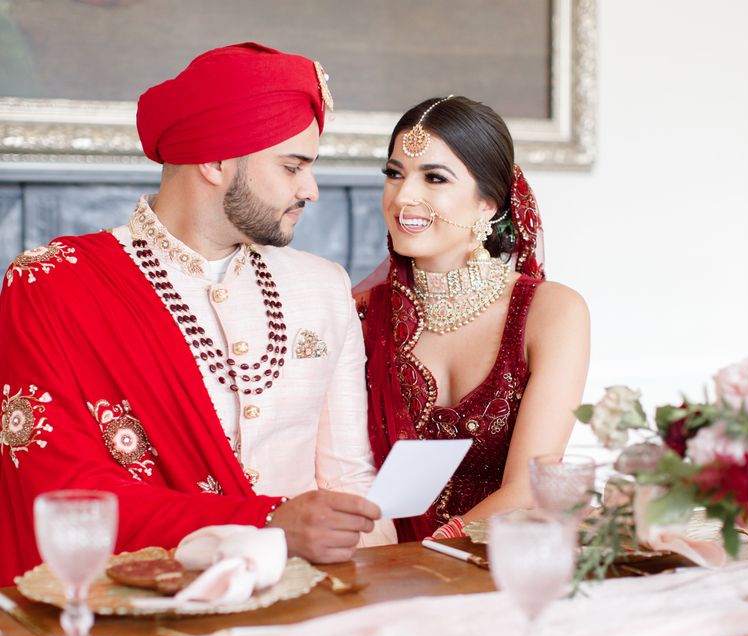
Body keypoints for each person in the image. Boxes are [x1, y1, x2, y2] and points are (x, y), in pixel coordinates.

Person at [0, 42, 395, 586]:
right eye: (292, 166)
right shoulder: (54, 285)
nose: (312, 189)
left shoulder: (322, 286)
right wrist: (269, 523)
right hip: (137, 606)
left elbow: (351, 478)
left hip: (309, 600)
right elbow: (65, 496)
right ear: (214, 160)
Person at [355, 95, 590, 542]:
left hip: (497, 560)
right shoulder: (361, 314)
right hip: (376, 558)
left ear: (488, 203)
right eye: (394, 174)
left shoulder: (550, 313)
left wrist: (433, 551)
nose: (403, 197)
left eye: (435, 178)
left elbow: (529, 488)